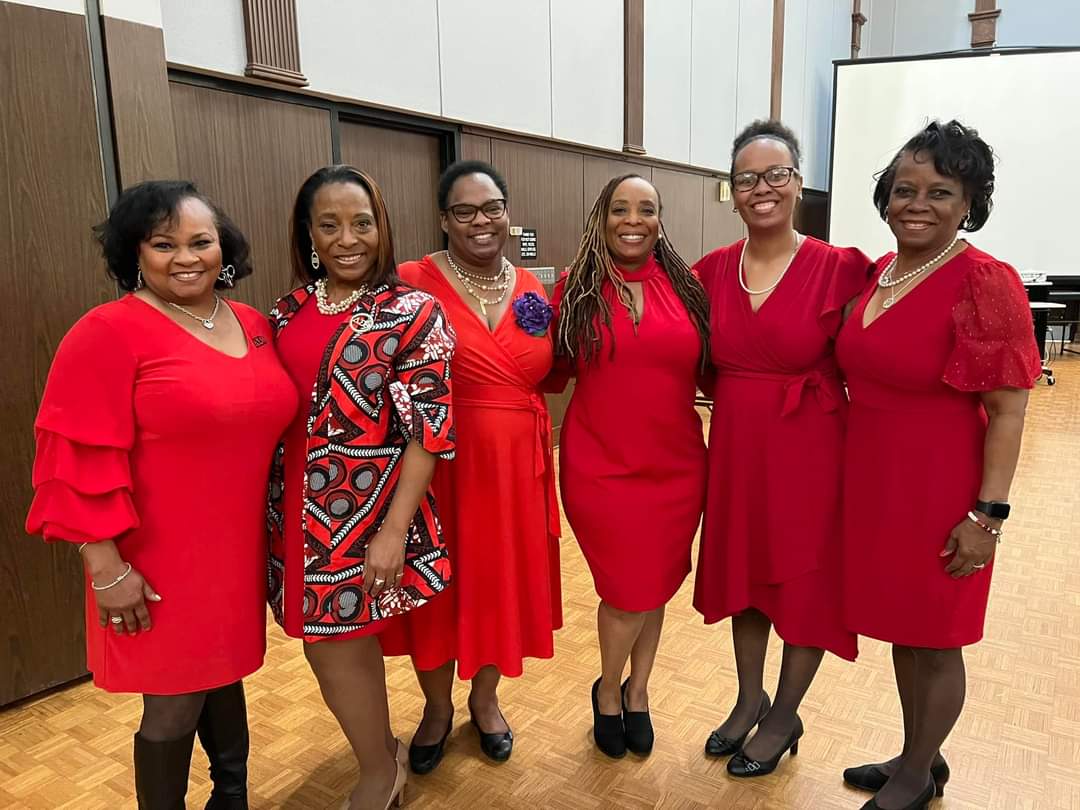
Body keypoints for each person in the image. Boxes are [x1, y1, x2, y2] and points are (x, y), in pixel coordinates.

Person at [25, 180, 297, 809]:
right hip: (153, 560)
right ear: (135, 253)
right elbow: (72, 459)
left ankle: (231, 798)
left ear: (223, 247)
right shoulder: (107, 332)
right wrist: (106, 568)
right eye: (163, 244)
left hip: (235, 550)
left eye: (201, 241)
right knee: (173, 702)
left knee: (222, 674)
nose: (186, 257)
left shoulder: (252, 323)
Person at [836, 120, 1041, 810]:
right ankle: (919, 754)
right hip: (878, 485)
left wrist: (987, 516)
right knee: (908, 630)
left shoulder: (983, 281)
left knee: (937, 638)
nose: (916, 204)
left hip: (941, 490)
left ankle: (916, 776)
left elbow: (1008, 410)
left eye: (939, 191)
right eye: (904, 189)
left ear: (968, 202)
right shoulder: (879, 274)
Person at [268, 165, 456, 810]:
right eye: (329, 225)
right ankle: (382, 754)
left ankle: (379, 771)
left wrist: (394, 530)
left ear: (382, 228)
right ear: (308, 234)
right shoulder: (286, 311)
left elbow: (430, 430)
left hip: (362, 512)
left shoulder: (412, 311)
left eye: (362, 223)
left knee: (337, 644)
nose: (347, 239)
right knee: (323, 644)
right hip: (291, 511)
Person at [693, 120, 869, 778]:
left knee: (802, 585)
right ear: (731, 190)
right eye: (747, 178)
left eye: (776, 175)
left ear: (799, 183)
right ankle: (750, 698)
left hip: (811, 448)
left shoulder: (840, 268)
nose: (761, 188)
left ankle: (784, 713)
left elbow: (873, 358)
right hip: (737, 447)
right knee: (745, 580)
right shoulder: (711, 271)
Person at [379, 161, 561, 770]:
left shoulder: (532, 286)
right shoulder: (411, 280)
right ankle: (436, 708)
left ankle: (485, 700)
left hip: (513, 472)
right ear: (443, 219)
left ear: (507, 212)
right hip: (436, 470)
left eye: (492, 208)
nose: (481, 221)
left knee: (495, 584)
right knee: (434, 588)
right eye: (465, 211)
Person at [547, 173, 710, 758]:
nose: (633, 220)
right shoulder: (576, 289)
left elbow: (716, 368)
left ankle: (638, 690)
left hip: (677, 467)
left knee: (655, 585)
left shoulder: (688, 287)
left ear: (660, 221)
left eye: (646, 209)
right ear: (602, 217)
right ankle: (608, 690)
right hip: (602, 468)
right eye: (620, 209)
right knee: (625, 591)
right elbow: (547, 370)